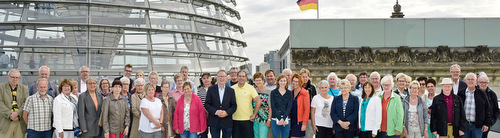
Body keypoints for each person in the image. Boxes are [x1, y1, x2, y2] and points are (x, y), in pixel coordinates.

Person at [457, 73, 491, 138]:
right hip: (464, 126)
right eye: (468, 79)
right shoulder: (460, 93)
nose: (470, 81)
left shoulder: (482, 94)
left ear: (476, 81)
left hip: (477, 126)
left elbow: (487, 110)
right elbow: (457, 110)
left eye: (472, 79)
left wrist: (486, 124)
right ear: (465, 81)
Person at [205, 70, 237, 138]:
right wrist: (216, 112)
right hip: (214, 121)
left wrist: (227, 112)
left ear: (226, 78)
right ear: (216, 78)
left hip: (227, 121)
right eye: (219, 76)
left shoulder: (231, 91)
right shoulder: (211, 89)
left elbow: (234, 106)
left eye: (223, 76)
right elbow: (207, 104)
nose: (221, 78)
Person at [231, 70, 262, 138]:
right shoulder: (232, 88)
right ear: (237, 77)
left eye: (243, 76)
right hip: (235, 119)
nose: (241, 78)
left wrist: (254, 114)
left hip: (247, 120)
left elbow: (259, 101)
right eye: (240, 76)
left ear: (246, 78)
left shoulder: (250, 88)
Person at [0, 69, 28, 138]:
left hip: (19, 121)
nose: (15, 79)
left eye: (17, 77)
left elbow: (26, 103)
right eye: (13, 77)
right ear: (8, 77)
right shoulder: (1, 87)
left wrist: (17, 114)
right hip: (5, 121)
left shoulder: (24, 88)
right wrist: (10, 114)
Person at [289, 73, 310, 138]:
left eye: (297, 82)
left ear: (300, 82)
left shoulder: (304, 93)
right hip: (290, 121)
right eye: (294, 81)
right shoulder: (290, 93)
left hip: (299, 122)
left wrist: (304, 124)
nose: (295, 83)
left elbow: (307, 110)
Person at [252, 72, 272, 138]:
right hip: (255, 120)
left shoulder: (269, 92)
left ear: (263, 81)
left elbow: (270, 107)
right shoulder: (253, 91)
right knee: (256, 136)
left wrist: (269, 120)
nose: (258, 82)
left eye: (259, 80)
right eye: (256, 80)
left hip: (264, 120)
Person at [300, 68, 317, 138]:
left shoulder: (312, 87)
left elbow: (315, 101)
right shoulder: (297, 87)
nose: (304, 78)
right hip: (300, 116)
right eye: (303, 77)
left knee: (309, 135)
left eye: (306, 76)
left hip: (309, 116)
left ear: (308, 77)